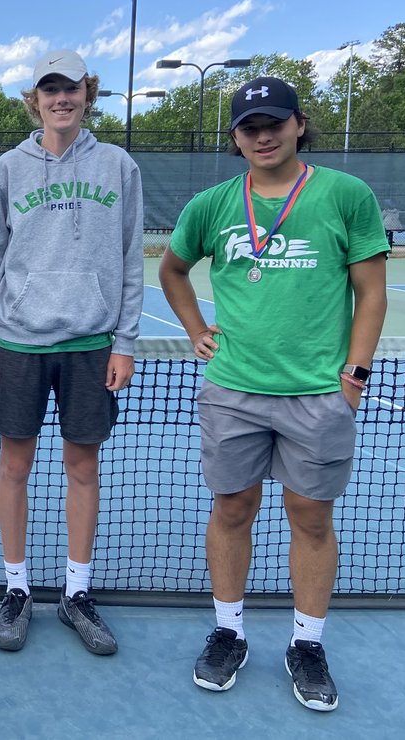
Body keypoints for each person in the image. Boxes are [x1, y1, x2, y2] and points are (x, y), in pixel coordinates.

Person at [159, 76, 388, 712]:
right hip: (232, 390)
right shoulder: (212, 205)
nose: (263, 135)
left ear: (298, 124)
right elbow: (172, 270)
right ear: (235, 138)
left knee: (311, 519)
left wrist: (356, 373)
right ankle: (229, 631)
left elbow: (371, 291)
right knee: (232, 510)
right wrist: (197, 330)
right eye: (249, 128)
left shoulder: (346, 195)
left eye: (274, 123)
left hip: (317, 395)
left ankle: (306, 643)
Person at [0, 49, 143, 653]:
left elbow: (129, 261)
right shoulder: (6, 170)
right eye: (49, 90)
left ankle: (76, 593)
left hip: (93, 346)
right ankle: (17, 589)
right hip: (19, 343)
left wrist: (124, 343)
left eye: (69, 88)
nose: (60, 99)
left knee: (82, 469)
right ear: (35, 99)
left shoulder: (118, 166)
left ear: (86, 93)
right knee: (14, 467)